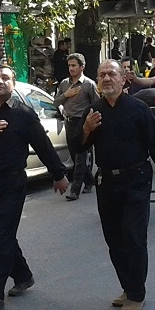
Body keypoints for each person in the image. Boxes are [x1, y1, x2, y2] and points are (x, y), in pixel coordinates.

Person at [80, 60, 155, 310]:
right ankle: (128, 286)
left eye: (112, 74)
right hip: (107, 182)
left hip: (136, 180)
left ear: (123, 79)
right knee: (114, 238)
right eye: (102, 75)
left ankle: (136, 294)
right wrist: (87, 129)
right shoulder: (94, 111)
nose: (106, 78)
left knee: (133, 235)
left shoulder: (138, 108)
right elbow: (79, 147)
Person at [0, 66, 69, 310]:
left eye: (5, 78)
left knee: (3, 238)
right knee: (2, 236)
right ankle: (23, 275)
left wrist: (58, 175)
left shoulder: (23, 114)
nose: (0, 82)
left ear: (13, 84)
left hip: (13, 183)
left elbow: (43, 145)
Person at [54, 52, 100, 200]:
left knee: (81, 158)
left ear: (82, 67)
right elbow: (56, 102)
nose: (71, 68)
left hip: (83, 122)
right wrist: (66, 95)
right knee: (74, 156)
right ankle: (90, 181)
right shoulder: (64, 83)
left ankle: (75, 190)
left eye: (74, 65)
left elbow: (97, 104)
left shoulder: (89, 84)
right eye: (69, 65)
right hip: (69, 122)